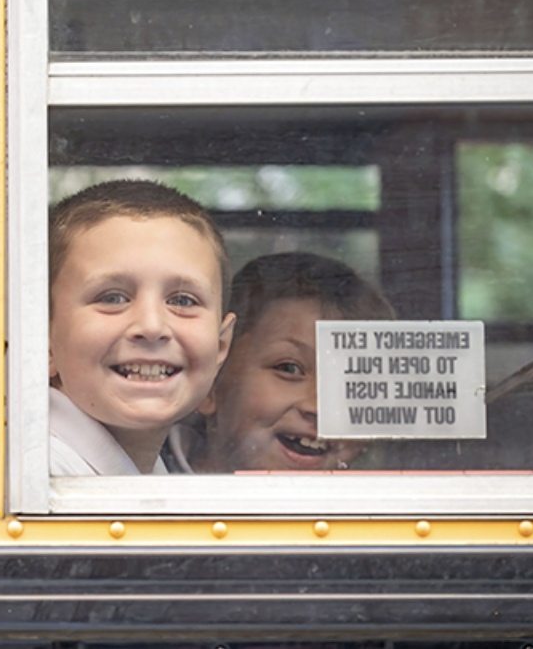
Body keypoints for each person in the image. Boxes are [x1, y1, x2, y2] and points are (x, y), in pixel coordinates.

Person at [47, 180, 235, 475]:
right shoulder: (36, 476)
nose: (151, 326)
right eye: (112, 298)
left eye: (183, 301)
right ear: (42, 341)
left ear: (221, 346)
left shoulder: (147, 475)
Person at [176, 251, 395, 473]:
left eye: (353, 383)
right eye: (289, 369)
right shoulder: (147, 479)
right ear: (210, 383)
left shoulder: (388, 500)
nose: (317, 408)